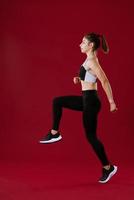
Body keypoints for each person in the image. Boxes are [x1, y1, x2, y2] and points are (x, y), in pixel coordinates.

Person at [39, 32, 118, 183]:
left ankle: (108, 168)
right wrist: (79, 79)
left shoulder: (93, 61)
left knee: (91, 137)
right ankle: (54, 133)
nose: (80, 44)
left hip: (91, 101)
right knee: (57, 101)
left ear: (91, 45)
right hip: (86, 98)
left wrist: (112, 102)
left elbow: (105, 81)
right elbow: (90, 77)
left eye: (83, 42)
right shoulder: (88, 60)